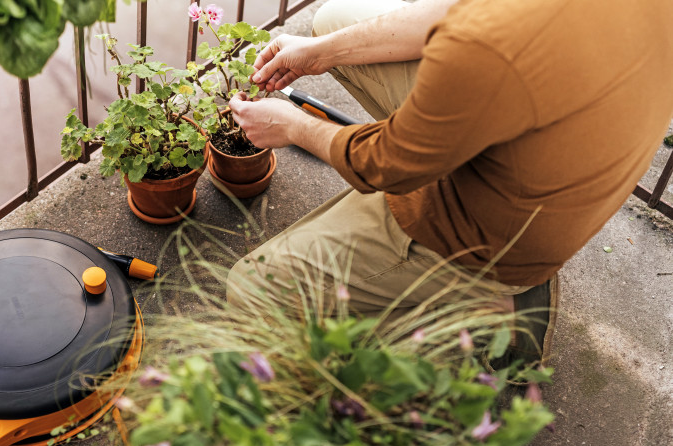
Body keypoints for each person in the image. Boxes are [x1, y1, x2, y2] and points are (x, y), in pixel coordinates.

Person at [225, 0, 673, 365]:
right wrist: (320, 50)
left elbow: (388, 166)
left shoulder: (487, 46)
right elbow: (448, 11)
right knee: (332, 21)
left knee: (251, 289)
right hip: (574, 148)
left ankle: (498, 303)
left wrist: (294, 127)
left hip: (507, 229)